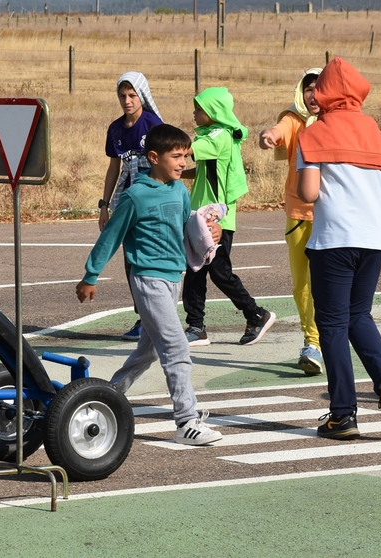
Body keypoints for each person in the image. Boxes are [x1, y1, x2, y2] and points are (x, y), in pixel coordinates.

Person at [77, 123, 222, 446]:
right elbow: (111, 237)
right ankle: (186, 421)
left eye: (186, 155)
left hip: (174, 278)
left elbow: (187, 229)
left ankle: (105, 397)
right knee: (176, 347)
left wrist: (210, 234)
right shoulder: (135, 196)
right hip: (147, 279)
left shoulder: (179, 192)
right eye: (176, 156)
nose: (183, 162)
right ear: (154, 157)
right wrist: (91, 275)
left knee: (149, 351)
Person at [296, 57, 381, 440]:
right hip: (374, 238)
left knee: (330, 324)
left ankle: (343, 414)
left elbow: (309, 192)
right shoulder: (376, 133)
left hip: (333, 239)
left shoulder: (313, 133)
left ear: (324, 93)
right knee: (358, 315)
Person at [181, 87, 276, 347]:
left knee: (220, 272)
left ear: (212, 112)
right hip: (200, 215)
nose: (194, 112)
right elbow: (201, 170)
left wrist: (163, 145)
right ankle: (196, 326)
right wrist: (177, 173)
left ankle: (256, 313)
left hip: (216, 217)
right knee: (194, 270)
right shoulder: (212, 136)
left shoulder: (218, 136)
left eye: (199, 108)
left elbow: (186, 149)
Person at [258, 68, 325, 375]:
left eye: (319, 88)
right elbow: (279, 129)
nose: (313, 95)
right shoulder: (295, 120)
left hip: (331, 214)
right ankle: (313, 341)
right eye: (308, 89)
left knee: (325, 283)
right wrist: (269, 136)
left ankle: (316, 343)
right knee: (302, 284)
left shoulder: (337, 122)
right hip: (298, 214)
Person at [100, 72, 164, 342]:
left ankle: (157, 316)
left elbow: (165, 164)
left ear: (142, 96)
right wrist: (104, 205)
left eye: (132, 95)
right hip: (127, 200)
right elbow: (114, 167)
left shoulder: (153, 125)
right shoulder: (115, 129)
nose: (126, 100)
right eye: (122, 95)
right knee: (130, 260)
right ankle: (143, 317)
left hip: (151, 199)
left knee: (151, 257)